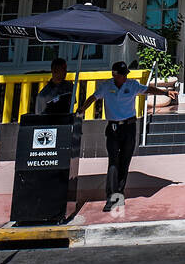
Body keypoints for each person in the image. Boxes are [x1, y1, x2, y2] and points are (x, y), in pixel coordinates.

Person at [75, 61, 176, 210]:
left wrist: (166, 92)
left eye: (125, 74)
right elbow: (93, 97)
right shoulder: (106, 86)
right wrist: (82, 109)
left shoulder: (132, 85)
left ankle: (119, 195)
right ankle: (110, 197)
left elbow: (148, 89)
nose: (124, 77)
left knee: (124, 162)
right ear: (114, 75)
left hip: (129, 127)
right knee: (113, 162)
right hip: (113, 128)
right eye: (122, 75)